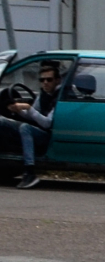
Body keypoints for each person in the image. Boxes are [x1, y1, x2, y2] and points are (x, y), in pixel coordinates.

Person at [1, 59, 58, 188]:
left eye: (49, 80)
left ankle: (29, 172)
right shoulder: (43, 95)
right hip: (38, 130)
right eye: (42, 80)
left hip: (48, 136)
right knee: (2, 122)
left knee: (25, 128)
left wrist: (28, 107)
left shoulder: (57, 98)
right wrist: (18, 110)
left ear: (57, 81)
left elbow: (47, 123)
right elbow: (32, 115)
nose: (45, 83)